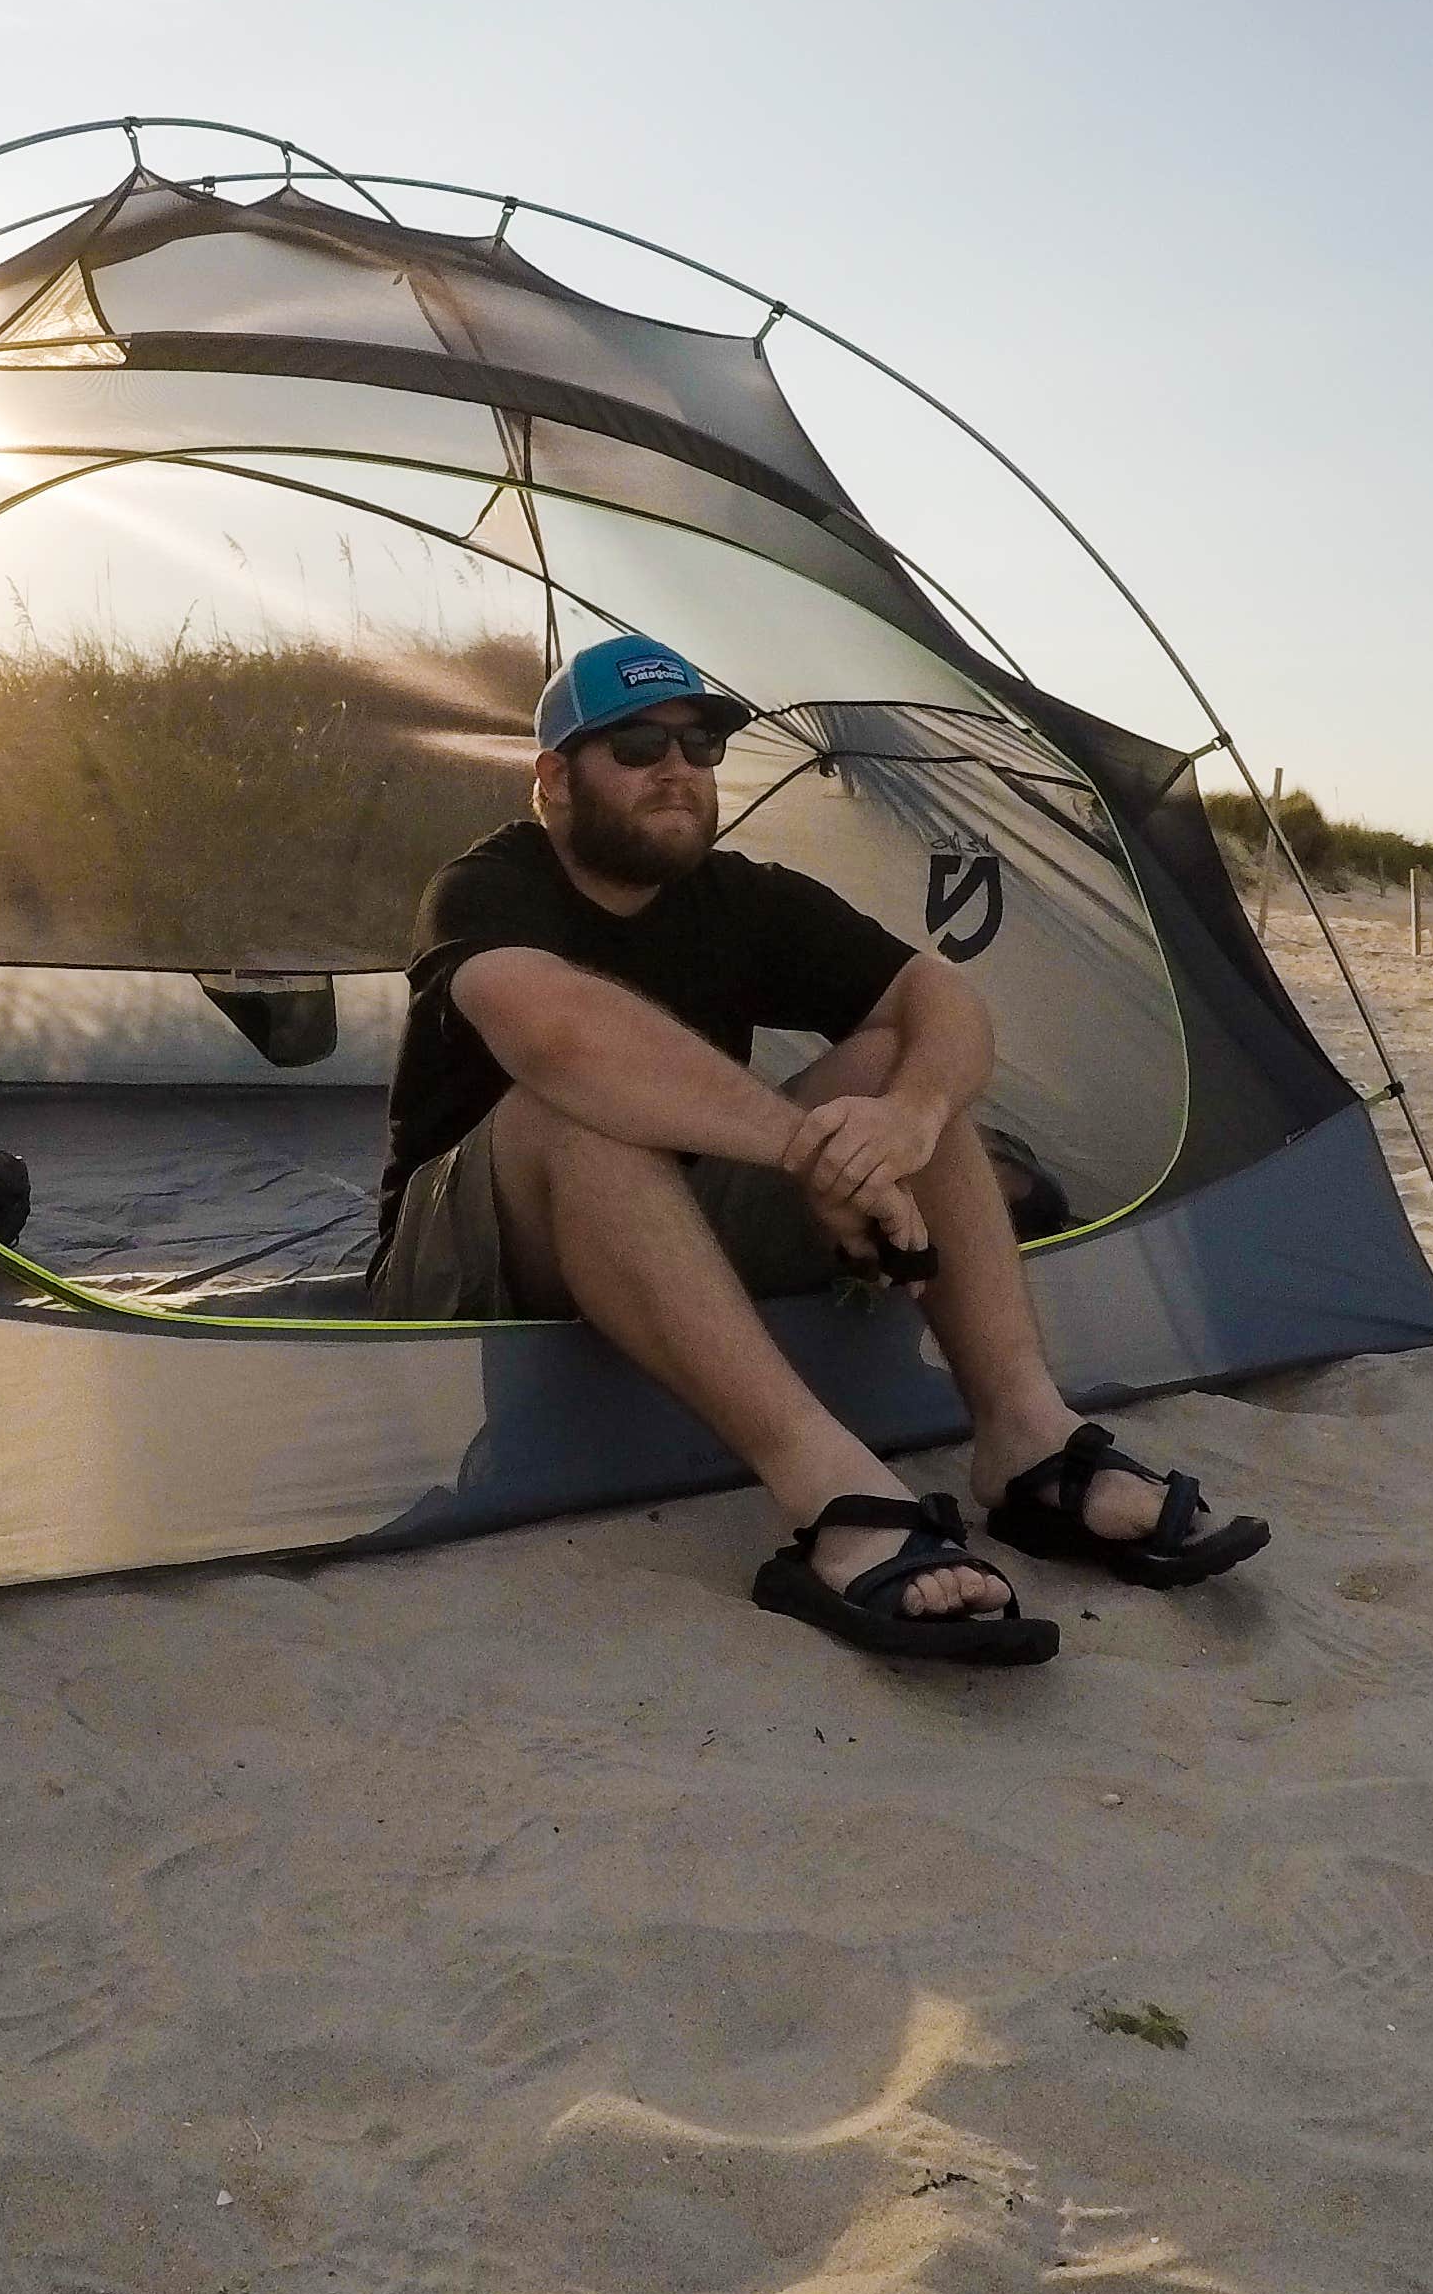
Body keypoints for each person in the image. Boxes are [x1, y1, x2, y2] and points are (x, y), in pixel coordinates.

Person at [366, 632, 1270, 1666]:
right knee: (572, 1113)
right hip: (466, 1269)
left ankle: (1026, 1438)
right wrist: (807, 1153)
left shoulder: (740, 898)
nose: (676, 768)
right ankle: (828, 1488)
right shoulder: (486, 886)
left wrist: (909, 1117)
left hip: (659, 1224)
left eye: (700, 743)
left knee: (894, 1065)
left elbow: (942, 997)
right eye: (637, 745)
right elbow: (558, 1037)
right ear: (555, 779)